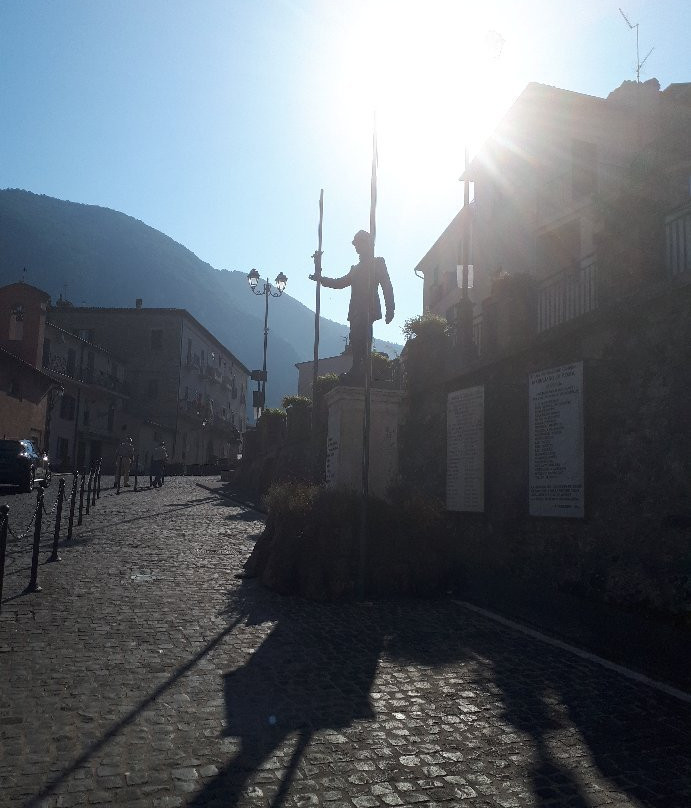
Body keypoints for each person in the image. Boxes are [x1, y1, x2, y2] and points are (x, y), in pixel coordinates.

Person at [309, 229, 394, 385]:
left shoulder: (378, 262)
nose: (356, 247)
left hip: (369, 307)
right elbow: (339, 283)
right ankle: (357, 368)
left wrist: (390, 308)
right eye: (355, 244)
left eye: (358, 244)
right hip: (355, 309)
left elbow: (386, 285)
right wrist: (320, 278)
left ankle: (364, 370)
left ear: (367, 244)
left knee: (364, 338)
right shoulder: (355, 269)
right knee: (356, 339)